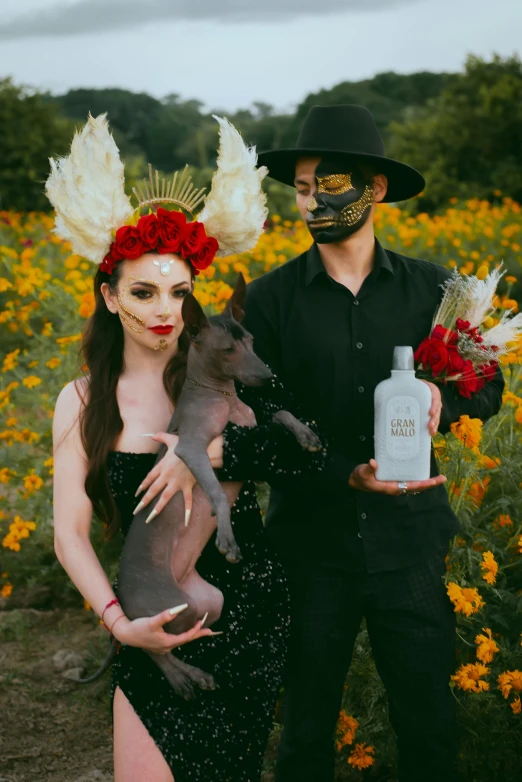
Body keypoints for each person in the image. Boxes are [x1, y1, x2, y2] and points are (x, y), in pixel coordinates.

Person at [50, 114, 324, 782]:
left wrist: (212, 452)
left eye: (178, 291)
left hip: (249, 611)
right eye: (142, 292)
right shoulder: (82, 402)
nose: (163, 309)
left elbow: (308, 451)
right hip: (149, 616)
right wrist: (118, 624)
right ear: (110, 297)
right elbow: (70, 533)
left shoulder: (224, 367)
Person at [240, 104, 502, 782]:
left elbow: (488, 386)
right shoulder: (268, 303)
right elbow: (258, 420)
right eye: (300, 188)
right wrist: (339, 476)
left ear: (375, 188)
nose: (311, 203)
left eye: (329, 185)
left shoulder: (435, 290)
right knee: (304, 738)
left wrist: (449, 399)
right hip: (310, 546)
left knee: (429, 732)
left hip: (412, 545)